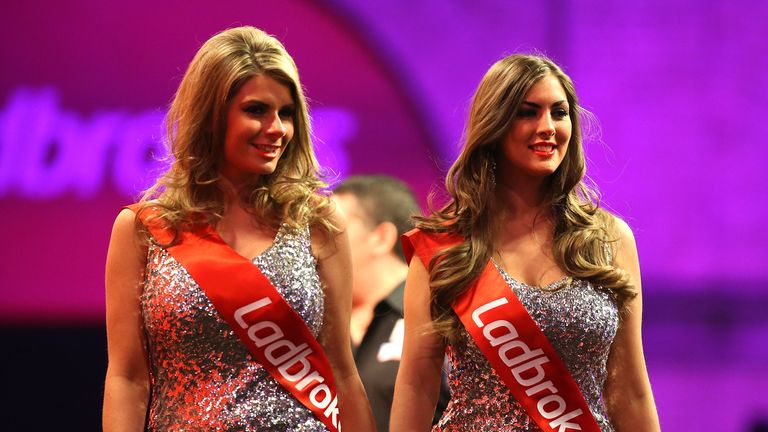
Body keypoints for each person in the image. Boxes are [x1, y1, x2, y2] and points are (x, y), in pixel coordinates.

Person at [102, 26, 375, 431]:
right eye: (256, 110)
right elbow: (127, 379)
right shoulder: (143, 229)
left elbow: (342, 371)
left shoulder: (317, 221)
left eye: (286, 113)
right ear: (212, 116)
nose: (277, 129)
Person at [390, 54, 660, 431]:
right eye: (527, 112)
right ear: (495, 125)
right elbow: (417, 383)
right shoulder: (445, 246)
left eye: (559, 112)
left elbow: (630, 391)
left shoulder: (609, 239)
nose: (547, 126)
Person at [332, 175, 450, 432]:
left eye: (330, 230)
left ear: (381, 237)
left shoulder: (442, 313)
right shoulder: (325, 325)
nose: (315, 243)